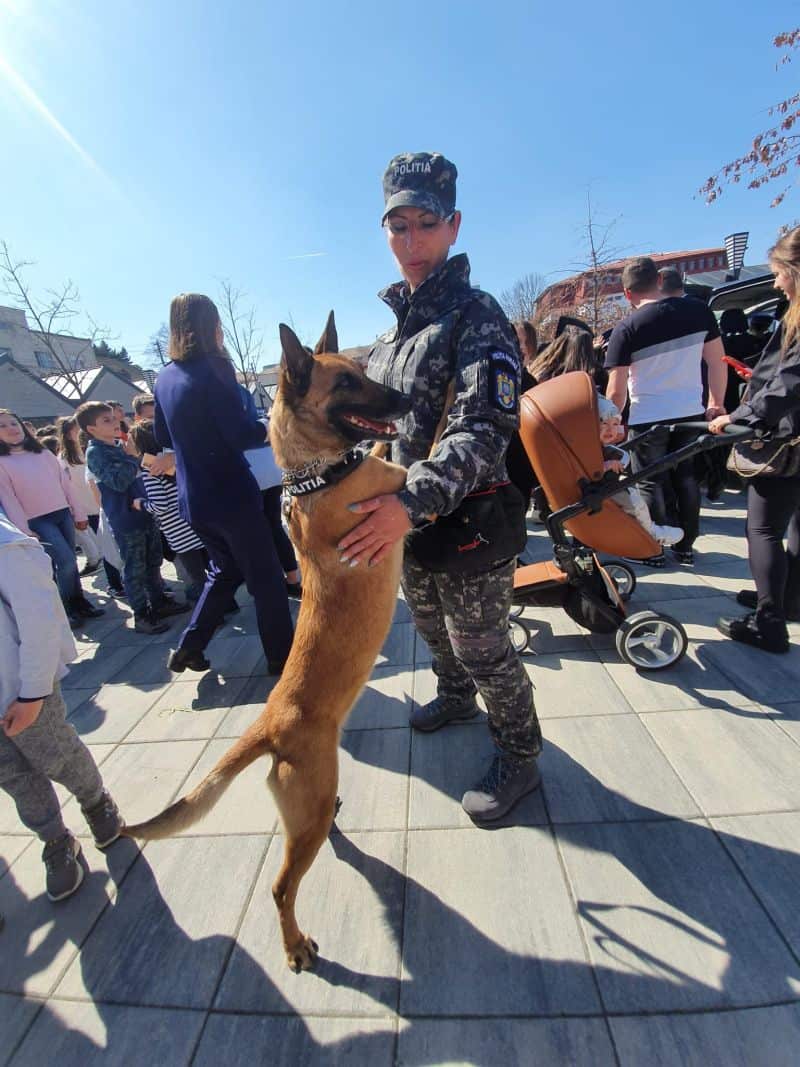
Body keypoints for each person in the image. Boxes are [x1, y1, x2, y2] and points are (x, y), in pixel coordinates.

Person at [338, 152, 543, 825]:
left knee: (484, 646)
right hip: (409, 524)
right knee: (430, 629)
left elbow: (485, 423)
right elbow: (389, 425)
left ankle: (519, 752)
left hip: (467, 519)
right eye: (398, 226)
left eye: (426, 223)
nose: (411, 240)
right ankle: (454, 696)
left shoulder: (475, 317)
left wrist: (407, 502)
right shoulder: (394, 331)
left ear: (454, 226)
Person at [154, 293, 294, 674]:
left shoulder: (164, 376)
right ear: (212, 325)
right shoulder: (214, 367)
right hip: (231, 494)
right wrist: (271, 424)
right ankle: (283, 658)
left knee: (225, 571)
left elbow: (162, 433)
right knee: (266, 580)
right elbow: (242, 434)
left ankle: (188, 647)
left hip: (193, 497)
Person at [0, 508, 122, 901]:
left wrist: (33, 691)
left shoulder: (7, 546)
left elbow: (38, 614)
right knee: (15, 777)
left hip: (19, 687)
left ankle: (97, 802)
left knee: (57, 755)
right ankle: (55, 840)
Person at [605, 256, 727, 567]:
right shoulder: (698, 311)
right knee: (686, 478)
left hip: (648, 415)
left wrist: (611, 422)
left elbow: (616, 390)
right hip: (691, 411)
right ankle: (685, 547)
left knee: (649, 481)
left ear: (628, 293)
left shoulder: (627, 327)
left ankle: (654, 548)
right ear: (659, 280)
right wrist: (716, 403)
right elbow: (717, 361)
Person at [711, 226, 800, 653]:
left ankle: (769, 622)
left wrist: (740, 415)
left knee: (762, 527)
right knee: (795, 525)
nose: (777, 283)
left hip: (788, 441)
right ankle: (786, 600)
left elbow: (787, 384)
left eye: (780, 273)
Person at [78, 401, 182, 634]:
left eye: (115, 418)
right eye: (106, 420)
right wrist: (133, 457)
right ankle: (141, 615)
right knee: (135, 569)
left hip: (144, 514)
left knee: (153, 562)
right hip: (126, 520)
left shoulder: (118, 446)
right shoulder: (96, 453)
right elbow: (119, 481)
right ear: (91, 429)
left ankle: (159, 602)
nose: (115, 422)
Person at [0, 409, 102, 627]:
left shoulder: (43, 453)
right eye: (3, 426)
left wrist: (79, 512)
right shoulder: (2, 462)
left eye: (13, 423)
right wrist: (25, 531)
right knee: (64, 561)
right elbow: (9, 500)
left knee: (72, 561)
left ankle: (80, 602)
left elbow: (65, 485)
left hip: (62, 513)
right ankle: (65, 609)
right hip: (37, 521)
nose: (11, 429)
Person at [126, 419, 215, 604]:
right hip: (197, 524)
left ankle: (213, 612)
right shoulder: (174, 458)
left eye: (130, 440)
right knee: (214, 570)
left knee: (198, 577)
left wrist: (141, 503)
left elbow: (160, 505)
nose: (126, 444)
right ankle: (229, 605)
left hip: (179, 533)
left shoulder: (150, 467)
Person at [240, 387, 302, 597]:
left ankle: (271, 583)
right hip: (271, 467)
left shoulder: (217, 394)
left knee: (257, 533)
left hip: (248, 472)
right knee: (274, 526)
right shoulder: (242, 393)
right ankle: (292, 579)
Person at [597, 395, 683, 545]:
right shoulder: (589, 449)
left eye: (615, 424)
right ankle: (651, 532)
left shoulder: (591, 445)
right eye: (604, 423)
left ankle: (648, 530)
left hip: (601, 488)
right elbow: (589, 467)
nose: (611, 429)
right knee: (636, 502)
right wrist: (605, 466)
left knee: (636, 498)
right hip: (600, 489)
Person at [57, 416, 102, 575]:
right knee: (89, 535)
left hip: (97, 500)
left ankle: (103, 561)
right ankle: (95, 559)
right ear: (68, 435)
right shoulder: (63, 457)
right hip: (81, 504)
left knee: (102, 535)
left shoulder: (92, 449)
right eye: (77, 429)